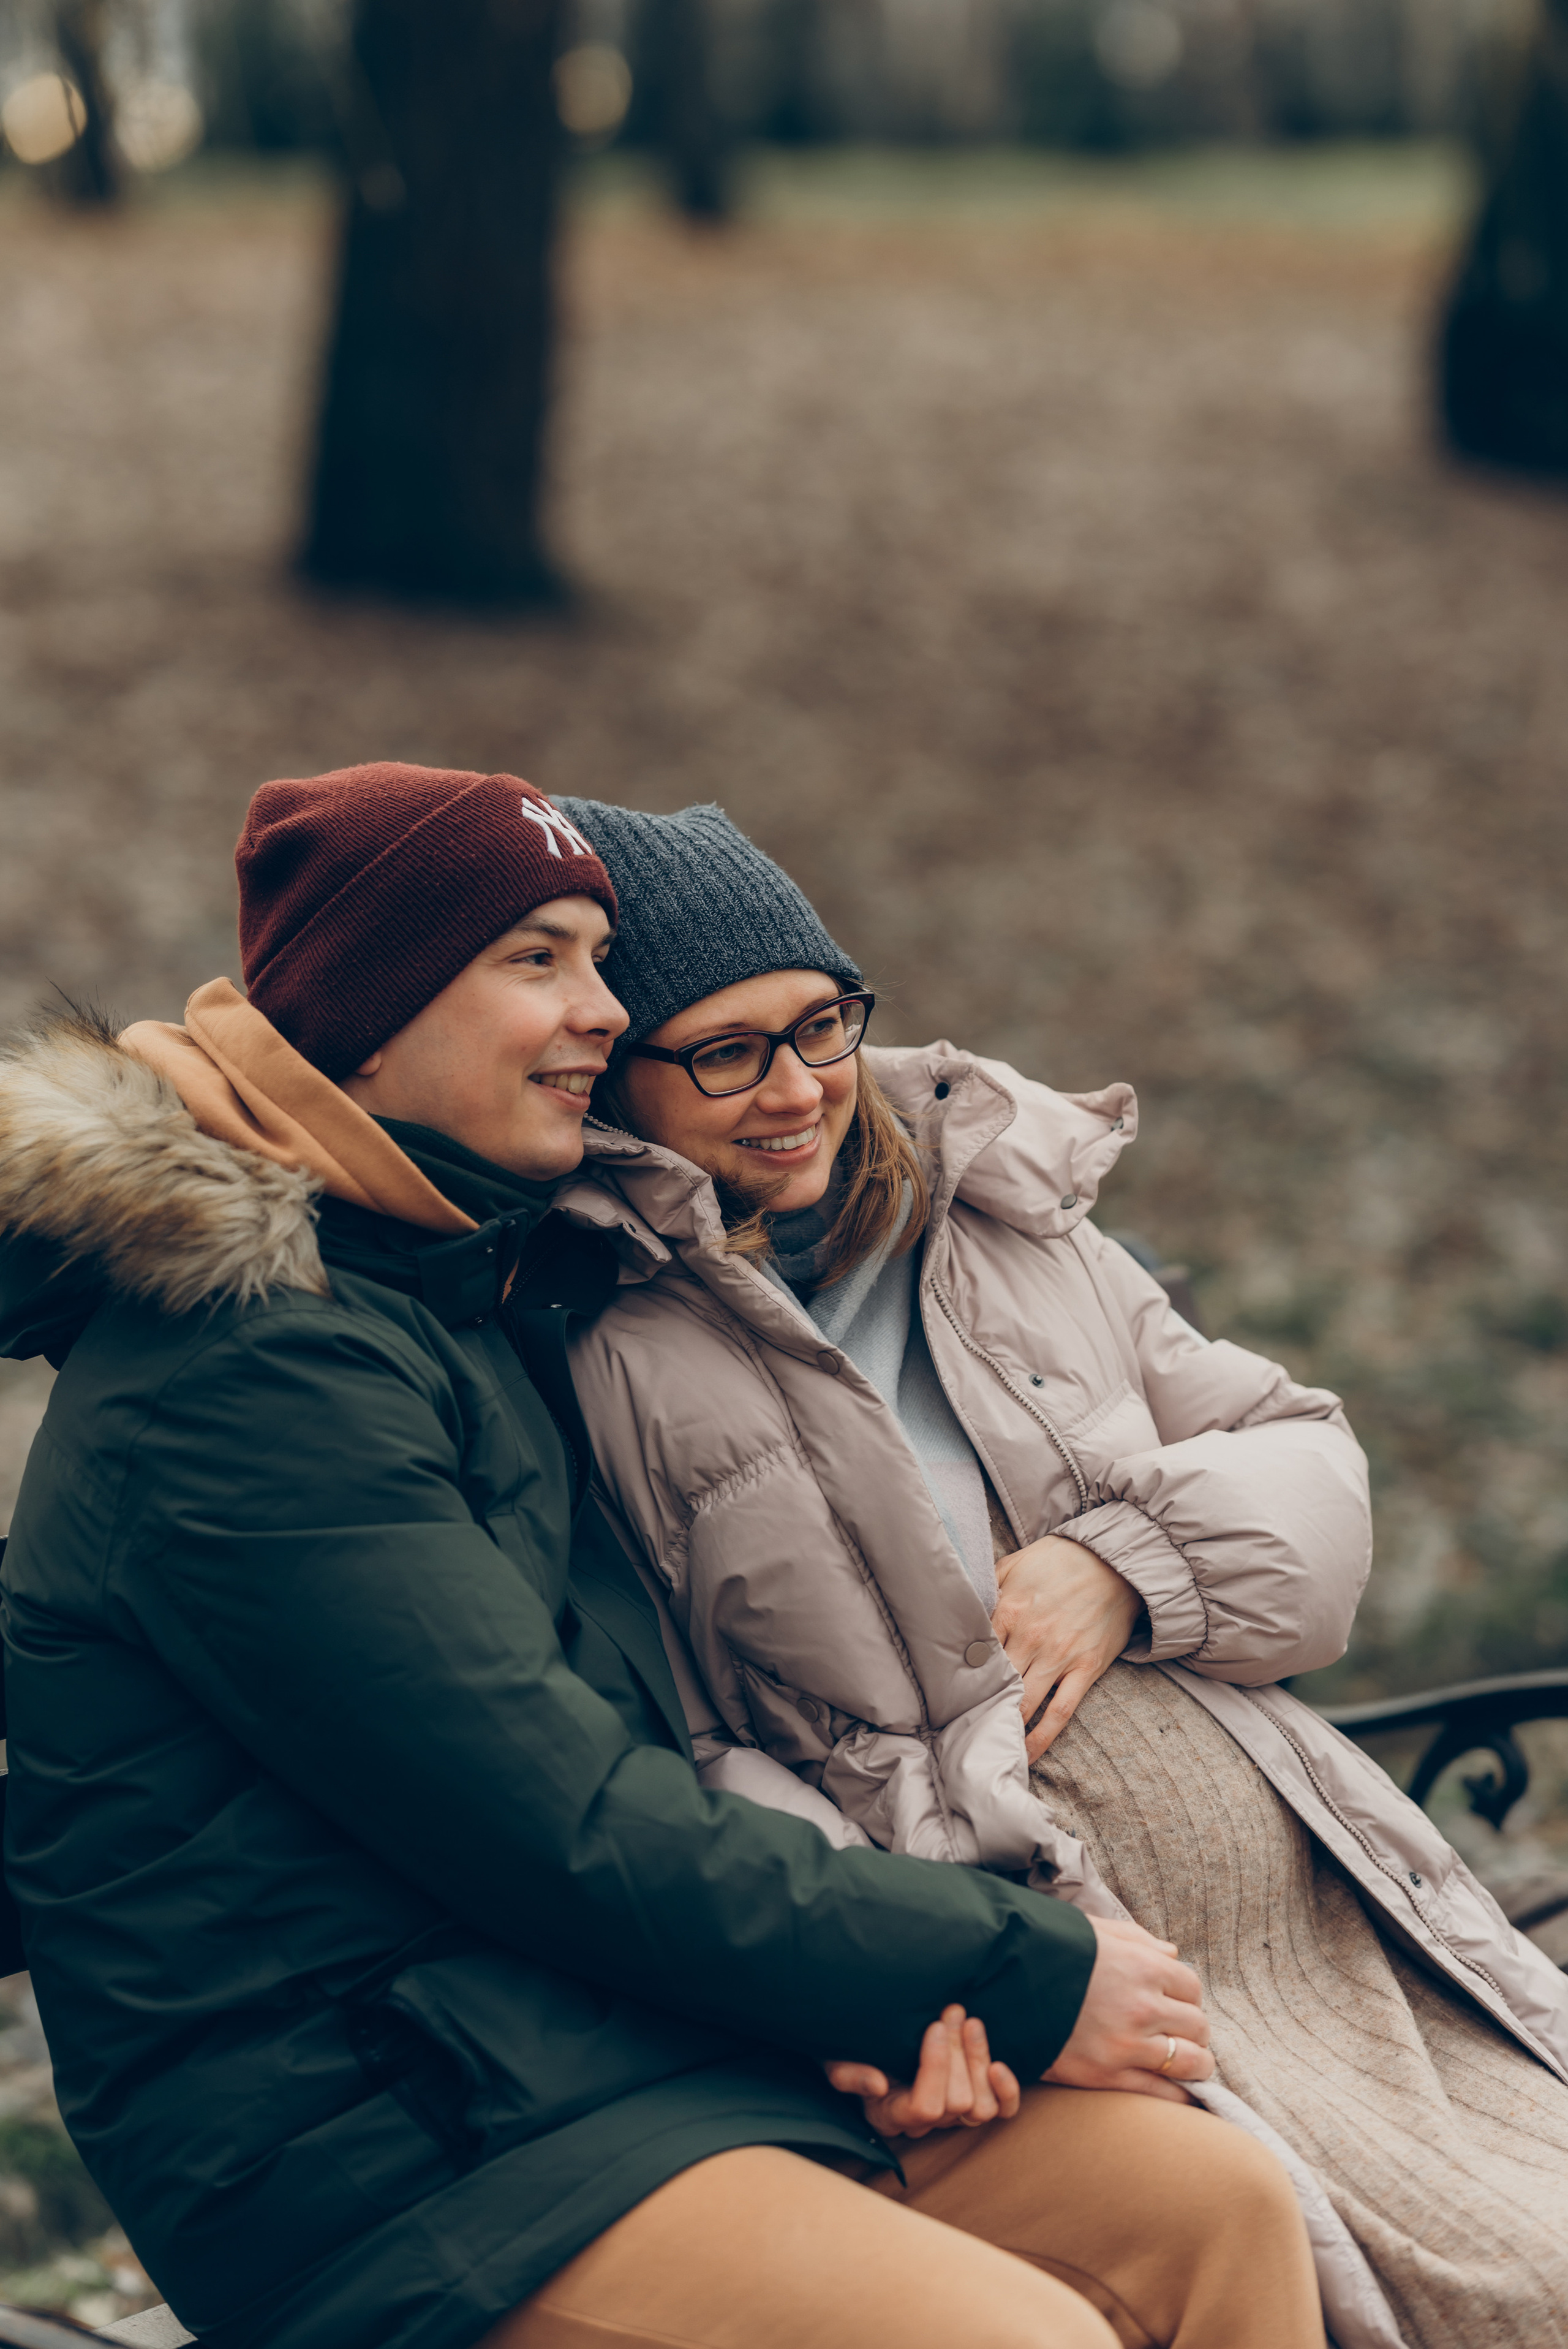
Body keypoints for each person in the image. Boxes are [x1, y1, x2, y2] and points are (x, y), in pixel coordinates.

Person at [0, 763, 1323, 2349]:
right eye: (539, 959)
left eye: (600, 963)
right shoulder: (249, 1374)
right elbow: (555, 1820)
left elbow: (652, 1755)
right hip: (399, 2159)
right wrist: (1016, 1973)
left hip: (592, 2053)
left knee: (1213, 2208)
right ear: (376, 1003)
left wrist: (867, 2006)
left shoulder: (451, 1287)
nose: (602, 1016)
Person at [556, 794, 1568, 2349]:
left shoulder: (992, 1219)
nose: (796, 1091)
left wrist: (1125, 1562)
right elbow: (664, 1744)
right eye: (723, 1050)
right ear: (610, 1078)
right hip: (1026, 1945)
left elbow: (1306, 1471)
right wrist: (898, 1978)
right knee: (1467, 2287)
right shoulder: (591, 1339)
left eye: (820, 1025)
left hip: (1314, 1898)